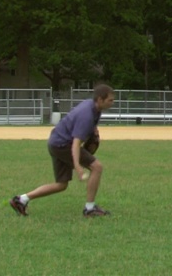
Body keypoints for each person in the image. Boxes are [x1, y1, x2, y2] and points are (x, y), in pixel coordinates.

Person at [9, 84, 115, 217]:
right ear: (100, 99)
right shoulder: (87, 115)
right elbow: (76, 143)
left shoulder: (92, 106)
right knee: (97, 167)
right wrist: (77, 166)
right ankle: (90, 209)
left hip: (55, 142)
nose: (113, 102)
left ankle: (21, 199)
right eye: (110, 100)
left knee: (61, 185)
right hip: (64, 145)